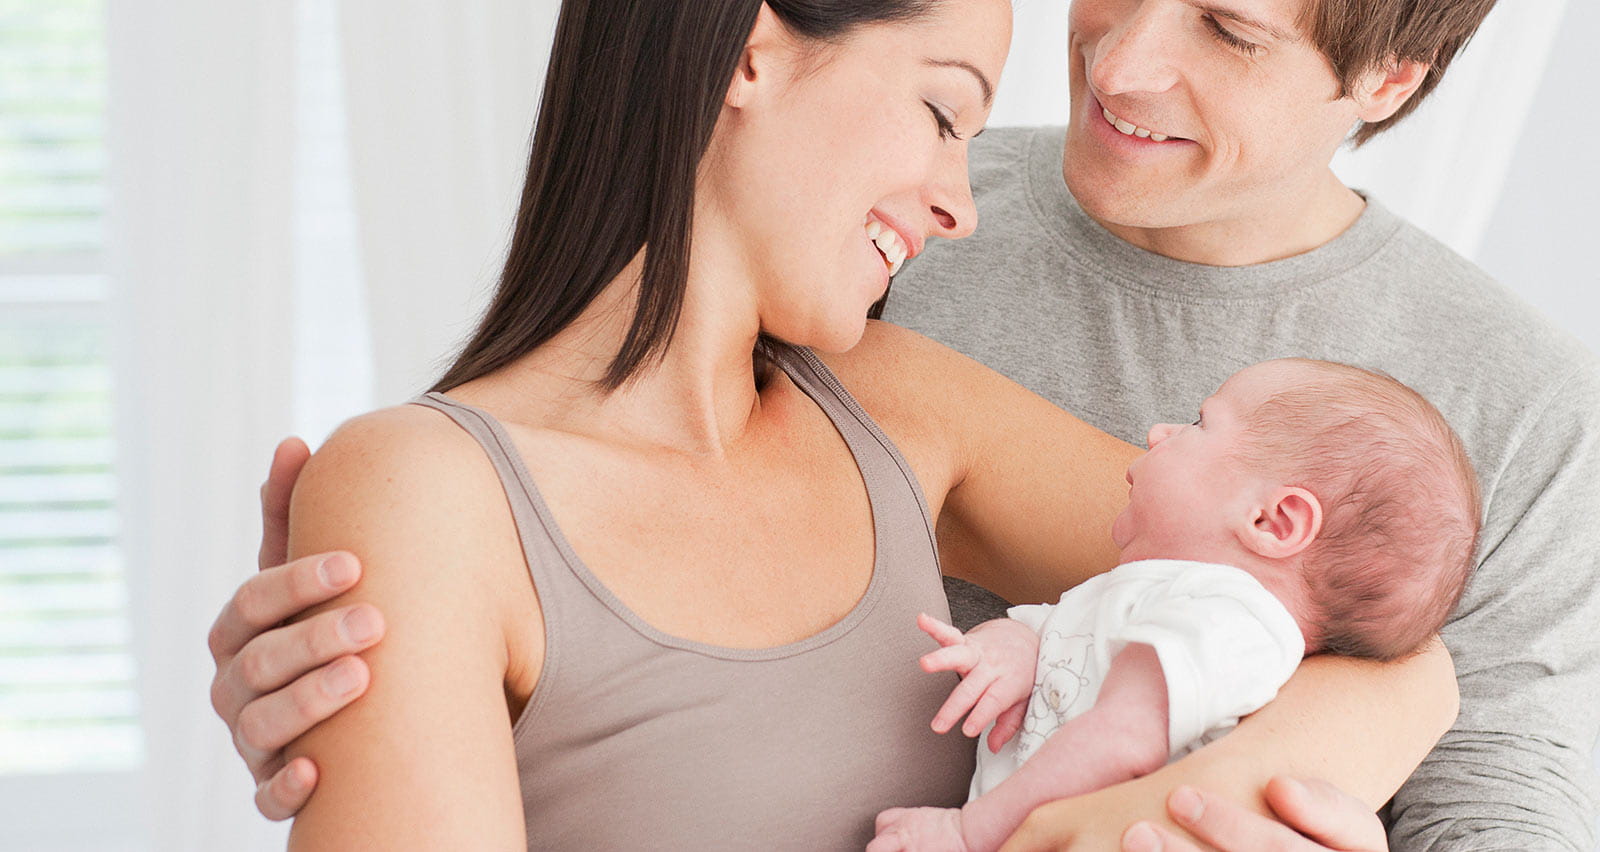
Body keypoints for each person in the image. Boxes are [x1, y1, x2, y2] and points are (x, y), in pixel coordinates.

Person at [203, 0, 1464, 849]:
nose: (966, 206)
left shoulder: (900, 405)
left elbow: (1383, 650)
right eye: (940, 112)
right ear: (750, 51)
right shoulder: (425, 492)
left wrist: (1157, 812)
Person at [875, 0, 1600, 846]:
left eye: (1230, 31)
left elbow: (1501, 806)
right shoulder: (883, 211)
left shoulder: (1527, 406)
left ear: (1391, 75)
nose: (1117, 69)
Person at [869, 358, 1481, 852]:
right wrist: (1022, 646)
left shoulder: (1233, 622)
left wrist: (966, 834)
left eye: (1198, 423)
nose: (1158, 433)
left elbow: (1121, 742)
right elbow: (1076, 647)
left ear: (1272, 519)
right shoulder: (1169, 599)